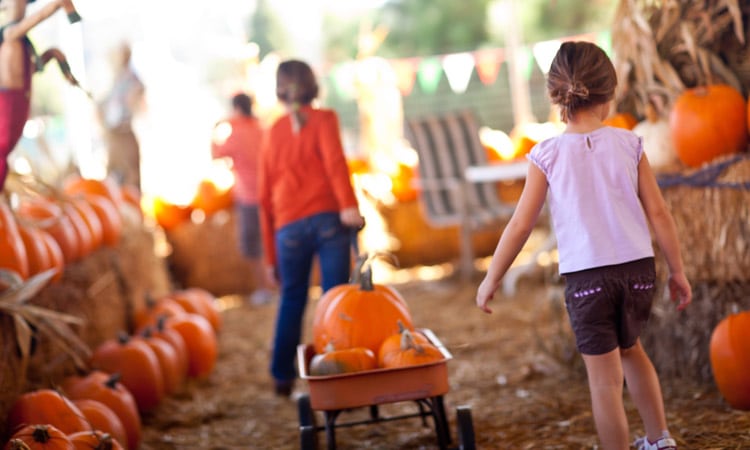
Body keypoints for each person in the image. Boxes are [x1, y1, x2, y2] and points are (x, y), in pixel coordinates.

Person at [475, 41, 692, 450]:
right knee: (634, 352)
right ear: (608, 94)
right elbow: (660, 214)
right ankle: (660, 439)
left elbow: (521, 225)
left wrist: (491, 278)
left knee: (605, 381)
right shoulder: (631, 144)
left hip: (587, 279)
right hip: (638, 272)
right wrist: (678, 270)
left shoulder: (546, 155)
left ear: (557, 96)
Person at [258, 59, 364, 397]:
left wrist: (270, 258)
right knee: (333, 298)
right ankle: (335, 373)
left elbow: (263, 198)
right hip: (327, 220)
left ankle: (281, 376)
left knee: (292, 297)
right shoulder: (325, 119)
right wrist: (349, 206)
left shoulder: (272, 133)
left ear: (280, 90)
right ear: (312, 86)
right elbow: (335, 162)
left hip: (287, 228)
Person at [0, 0, 81, 189]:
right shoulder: (10, 34)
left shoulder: (20, 43)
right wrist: (58, 5)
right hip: (10, 107)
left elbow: (31, 70)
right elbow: (39, 17)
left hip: (18, 104)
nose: (22, 7)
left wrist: (56, 57)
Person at [211, 92, 275, 305]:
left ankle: (263, 288)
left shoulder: (235, 133)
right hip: (270, 194)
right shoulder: (262, 129)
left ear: (236, 109)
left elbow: (215, 155)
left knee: (252, 244)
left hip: (248, 197)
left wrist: (216, 128)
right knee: (273, 241)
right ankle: (280, 286)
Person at [97, 42, 144, 190]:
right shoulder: (116, 79)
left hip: (124, 133)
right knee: (114, 179)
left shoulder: (132, 78)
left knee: (130, 179)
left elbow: (138, 95)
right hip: (114, 134)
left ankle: (129, 208)